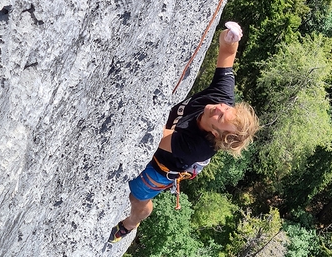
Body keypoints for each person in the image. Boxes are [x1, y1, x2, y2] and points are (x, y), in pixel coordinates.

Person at [108, 22, 259, 243]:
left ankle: (131, 224)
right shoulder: (223, 99)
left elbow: (151, 137)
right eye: (226, 109)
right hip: (166, 140)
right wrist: (231, 38)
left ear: (216, 134)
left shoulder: (199, 147)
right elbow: (227, 53)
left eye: (219, 117)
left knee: (137, 197)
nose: (218, 108)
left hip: (163, 165)